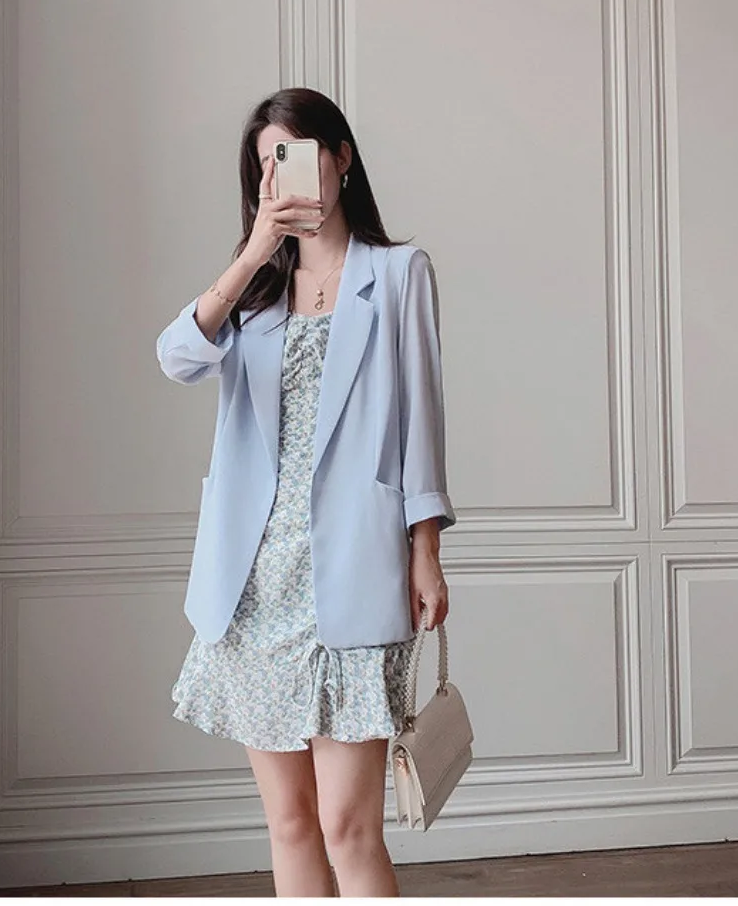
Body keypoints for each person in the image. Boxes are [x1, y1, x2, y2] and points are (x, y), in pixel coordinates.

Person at [155, 86, 456, 897]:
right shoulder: (252, 294)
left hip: (355, 570)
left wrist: (425, 549)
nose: (279, 175)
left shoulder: (397, 275)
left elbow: (422, 422)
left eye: (294, 154)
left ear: (341, 158)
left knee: (348, 828)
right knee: (288, 824)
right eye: (265, 164)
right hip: (255, 584)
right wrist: (254, 252)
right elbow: (176, 358)